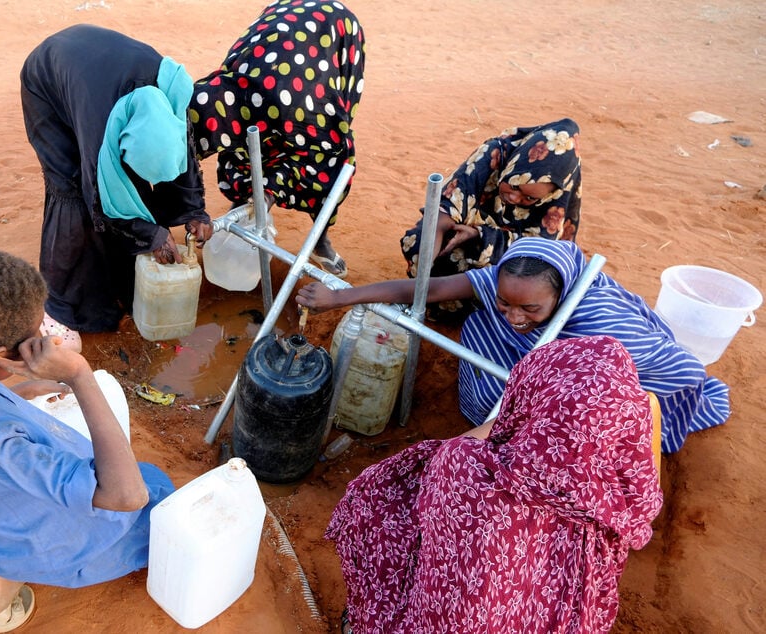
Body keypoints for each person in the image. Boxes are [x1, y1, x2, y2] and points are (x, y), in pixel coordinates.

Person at [0, 246, 174, 632]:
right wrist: (80, 376)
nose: (44, 339)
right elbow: (127, 497)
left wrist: (19, 392)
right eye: (34, 337)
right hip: (62, 545)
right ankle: (1, 601)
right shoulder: (1, 448)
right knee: (157, 493)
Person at [326, 335, 664, 633]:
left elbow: (434, 478)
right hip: (561, 620)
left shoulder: (468, 468)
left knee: (383, 509)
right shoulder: (620, 485)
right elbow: (639, 505)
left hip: (454, 619)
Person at [296, 237, 731, 453]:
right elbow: (428, 288)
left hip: (584, 370)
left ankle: (512, 429)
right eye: (505, 300)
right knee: (483, 323)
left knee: (565, 430)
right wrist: (340, 297)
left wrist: (586, 390)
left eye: (531, 309)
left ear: (560, 296)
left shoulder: (604, 326)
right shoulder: (513, 285)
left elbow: (683, 370)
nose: (515, 315)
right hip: (541, 354)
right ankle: (493, 419)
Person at [21, 24, 213, 349]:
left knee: (129, 183)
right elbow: (98, 193)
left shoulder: (171, 95)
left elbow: (181, 154)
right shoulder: (99, 126)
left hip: (99, 70)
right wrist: (151, 234)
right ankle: (64, 307)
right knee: (71, 191)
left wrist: (193, 211)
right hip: (49, 81)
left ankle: (124, 281)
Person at [189, 0, 366, 278]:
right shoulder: (214, 94)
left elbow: (328, 156)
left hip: (328, 31)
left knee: (324, 173)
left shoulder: (304, 111)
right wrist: (195, 211)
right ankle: (245, 203)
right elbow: (203, 153)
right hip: (275, 38)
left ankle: (321, 241)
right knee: (244, 146)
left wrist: (271, 190)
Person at [401, 118, 581, 282]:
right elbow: (445, 211)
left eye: (530, 198)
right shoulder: (494, 153)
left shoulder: (558, 194)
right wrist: (423, 273)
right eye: (514, 185)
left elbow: (538, 252)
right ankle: (425, 297)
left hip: (500, 261)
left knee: (526, 278)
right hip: (459, 235)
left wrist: (480, 236)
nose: (513, 198)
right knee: (421, 241)